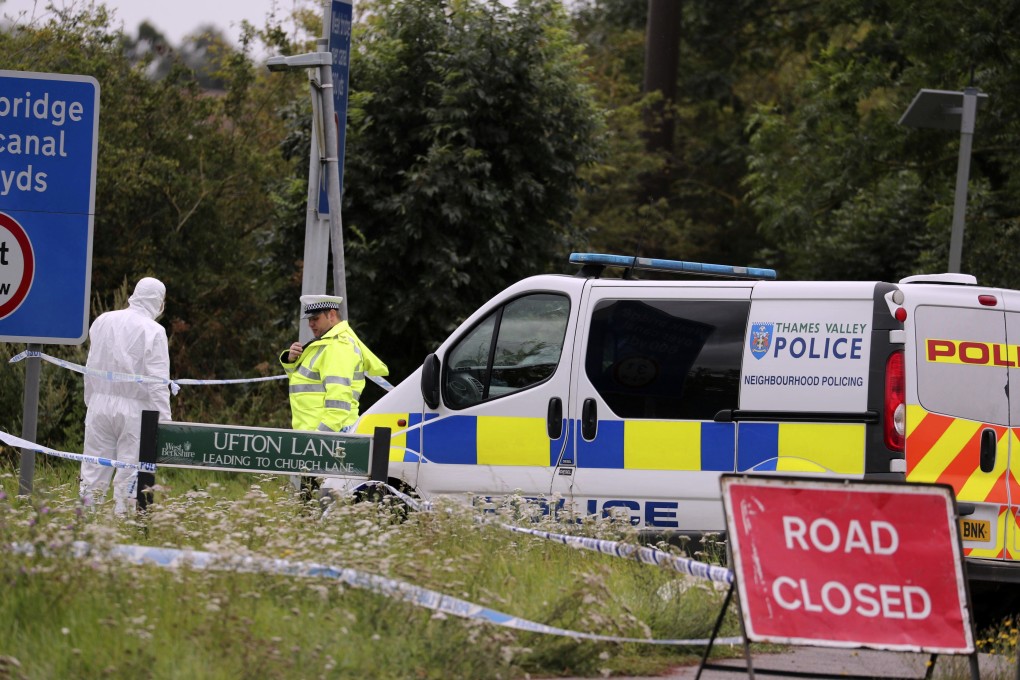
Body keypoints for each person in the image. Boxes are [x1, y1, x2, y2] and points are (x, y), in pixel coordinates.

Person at [80, 277, 172, 515]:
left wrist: (90, 401)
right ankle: (125, 529)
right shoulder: (154, 331)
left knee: (92, 472)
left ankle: (84, 525)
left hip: (99, 405)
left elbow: (89, 367)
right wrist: (164, 424)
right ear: (158, 302)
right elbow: (158, 383)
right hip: (136, 412)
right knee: (130, 476)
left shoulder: (103, 320)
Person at [280, 294, 389, 434]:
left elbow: (338, 405)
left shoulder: (338, 347)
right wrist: (291, 361)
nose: (310, 324)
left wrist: (320, 437)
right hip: (316, 432)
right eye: (309, 320)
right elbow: (304, 383)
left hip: (327, 435)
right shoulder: (325, 344)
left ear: (331, 315)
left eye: (315, 319)